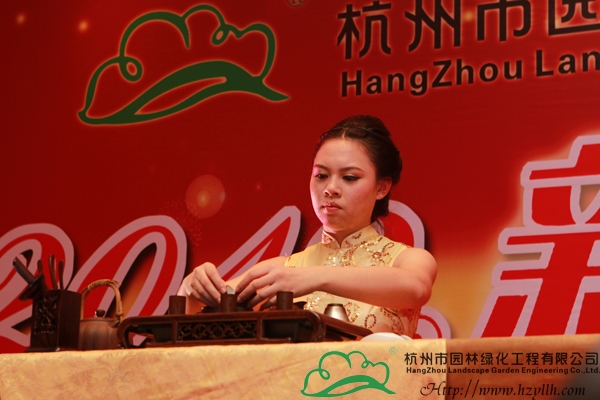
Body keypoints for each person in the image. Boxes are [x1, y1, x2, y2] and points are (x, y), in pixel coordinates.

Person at [177, 115, 437, 337]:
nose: (330, 189)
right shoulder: (283, 270)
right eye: (321, 175)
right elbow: (203, 319)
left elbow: (416, 288)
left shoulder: (406, 259)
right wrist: (190, 289)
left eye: (349, 177)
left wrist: (314, 277)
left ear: (382, 187)